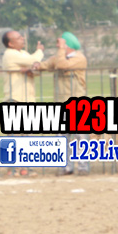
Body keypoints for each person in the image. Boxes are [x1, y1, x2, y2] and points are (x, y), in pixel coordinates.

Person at [36, 32, 89, 174]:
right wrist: (35, 65)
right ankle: (66, 167)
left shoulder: (79, 58)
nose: (57, 46)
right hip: (61, 102)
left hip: (77, 102)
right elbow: (45, 65)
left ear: (67, 45)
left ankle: (83, 167)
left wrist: (60, 49)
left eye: (60, 44)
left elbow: (61, 65)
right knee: (62, 137)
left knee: (80, 136)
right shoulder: (59, 57)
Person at [2, 30, 44, 102]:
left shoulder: (23, 53)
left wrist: (31, 70)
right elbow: (34, 60)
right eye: (19, 38)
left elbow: (37, 68)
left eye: (21, 37)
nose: (23, 38)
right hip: (15, 99)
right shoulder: (10, 54)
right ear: (10, 44)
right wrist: (39, 50)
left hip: (28, 99)